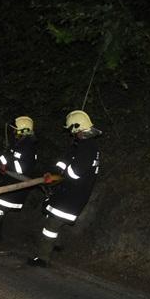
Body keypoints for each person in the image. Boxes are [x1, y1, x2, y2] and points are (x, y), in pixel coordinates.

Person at [28, 110, 101, 267]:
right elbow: (65, 163)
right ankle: (56, 245)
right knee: (52, 220)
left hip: (72, 196)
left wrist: (61, 173)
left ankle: (42, 258)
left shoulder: (86, 148)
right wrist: (54, 172)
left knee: (50, 227)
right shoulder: (84, 145)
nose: (71, 133)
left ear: (77, 128)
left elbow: (75, 173)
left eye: (72, 130)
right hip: (70, 194)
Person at [0, 116, 38, 244]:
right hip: (10, 183)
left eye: (15, 129)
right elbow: (6, 160)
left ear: (23, 130)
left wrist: (7, 161)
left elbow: (20, 169)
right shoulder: (18, 143)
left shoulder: (28, 146)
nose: (13, 131)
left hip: (17, 187)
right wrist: (4, 160)